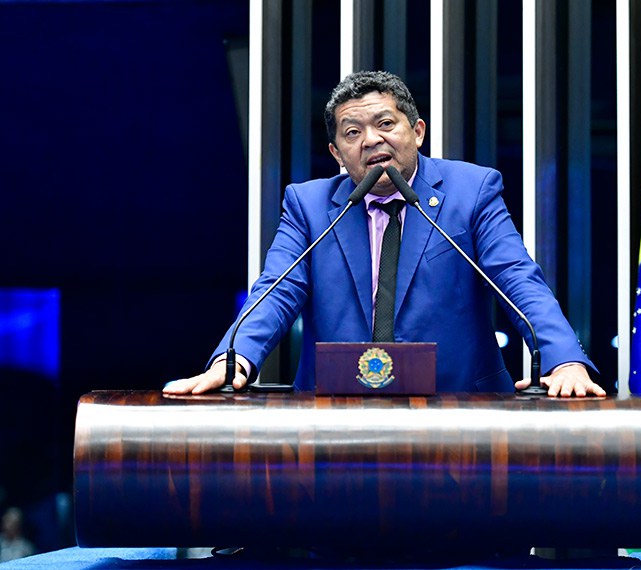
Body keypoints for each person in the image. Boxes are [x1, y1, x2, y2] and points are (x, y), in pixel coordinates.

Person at [164, 71, 604, 399]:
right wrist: (234, 357)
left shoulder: (471, 191)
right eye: (353, 133)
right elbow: (276, 292)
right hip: (332, 415)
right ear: (338, 153)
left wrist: (563, 357)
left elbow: (517, 280)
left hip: (462, 410)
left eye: (386, 124)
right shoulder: (311, 206)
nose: (371, 139)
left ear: (417, 131)